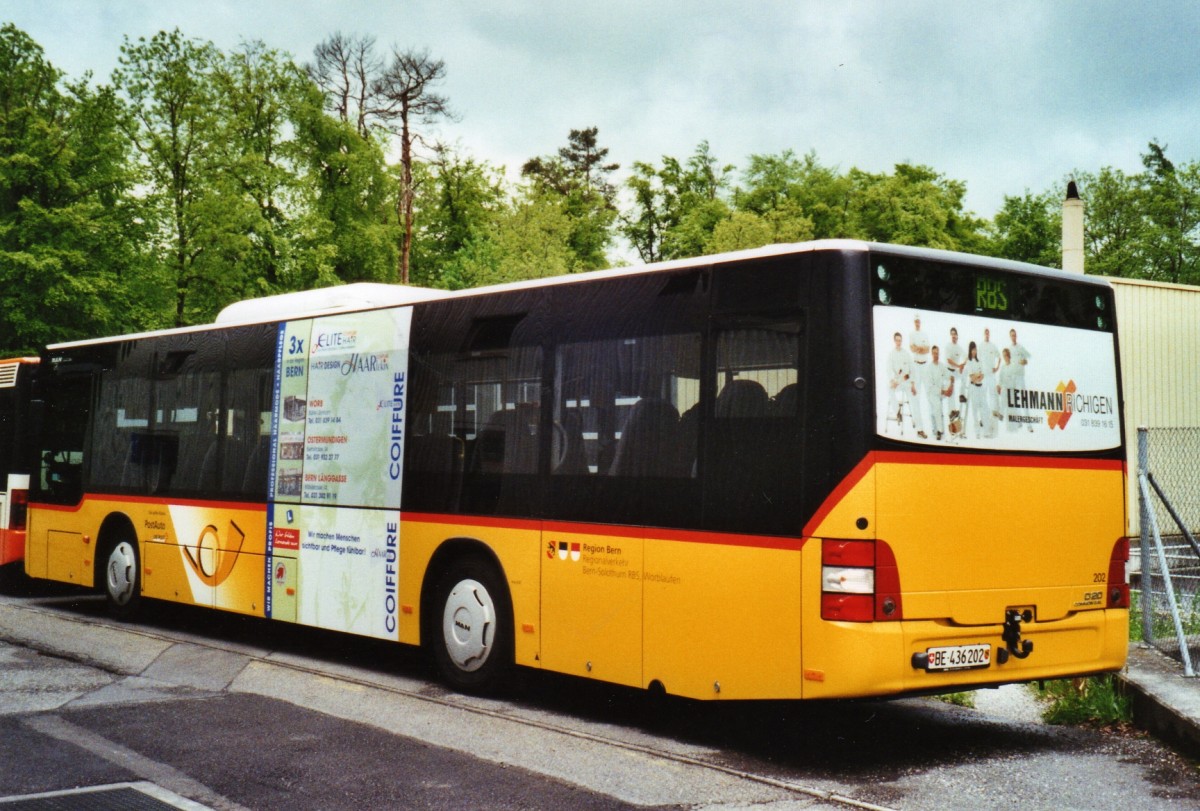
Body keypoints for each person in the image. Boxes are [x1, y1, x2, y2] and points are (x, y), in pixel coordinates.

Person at [886, 331, 914, 434]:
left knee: (912, 394)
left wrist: (900, 380)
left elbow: (909, 370)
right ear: (894, 341)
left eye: (900, 340)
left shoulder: (906, 353)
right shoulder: (891, 354)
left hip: (904, 381)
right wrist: (893, 380)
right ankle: (898, 412)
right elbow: (889, 369)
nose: (899, 342)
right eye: (897, 340)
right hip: (896, 382)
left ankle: (915, 418)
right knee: (889, 388)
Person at [908, 315, 931, 437]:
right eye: (915, 321)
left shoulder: (924, 334)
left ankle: (935, 428)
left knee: (930, 394)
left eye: (919, 321)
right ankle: (919, 429)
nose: (917, 323)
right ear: (914, 322)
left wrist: (920, 348)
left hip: (925, 366)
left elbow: (927, 350)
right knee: (916, 397)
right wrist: (920, 349)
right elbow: (912, 348)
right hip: (916, 367)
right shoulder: (912, 334)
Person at [964, 341, 992, 438]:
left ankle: (986, 431)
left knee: (984, 409)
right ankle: (977, 432)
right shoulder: (969, 362)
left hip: (981, 387)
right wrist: (977, 375)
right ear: (970, 350)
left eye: (975, 349)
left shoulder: (979, 361)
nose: (974, 351)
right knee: (975, 410)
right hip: (973, 388)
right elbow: (972, 377)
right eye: (972, 349)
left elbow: (982, 375)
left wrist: (978, 376)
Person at [929, 345, 954, 440]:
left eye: (937, 353)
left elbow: (949, 375)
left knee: (952, 393)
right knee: (938, 406)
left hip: (941, 391)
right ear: (932, 354)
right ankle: (939, 431)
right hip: (932, 393)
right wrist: (944, 392)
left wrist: (951, 383)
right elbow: (931, 387)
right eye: (934, 353)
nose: (936, 355)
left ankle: (952, 413)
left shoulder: (941, 365)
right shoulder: (929, 368)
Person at [979, 328, 1002, 426]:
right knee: (983, 397)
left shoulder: (993, 346)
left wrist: (996, 368)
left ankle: (996, 412)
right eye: (986, 334)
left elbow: (1000, 357)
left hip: (992, 375)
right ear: (984, 334)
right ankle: (983, 418)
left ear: (990, 335)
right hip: (984, 375)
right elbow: (978, 360)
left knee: (994, 394)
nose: (987, 335)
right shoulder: (981, 346)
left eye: (988, 334)